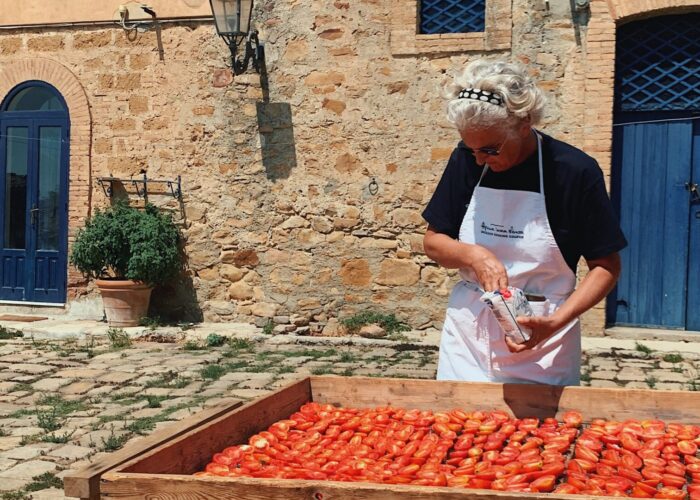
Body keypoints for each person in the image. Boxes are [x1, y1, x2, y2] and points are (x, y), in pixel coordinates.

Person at [422, 59, 627, 386]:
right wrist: (475, 256)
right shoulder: (466, 157)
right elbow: (433, 242)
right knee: (457, 432)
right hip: (468, 338)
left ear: (524, 123)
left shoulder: (573, 171)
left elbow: (606, 265)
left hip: (543, 339)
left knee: (540, 436)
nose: (478, 160)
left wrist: (558, 321)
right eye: (471, 148)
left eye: (489, 149)